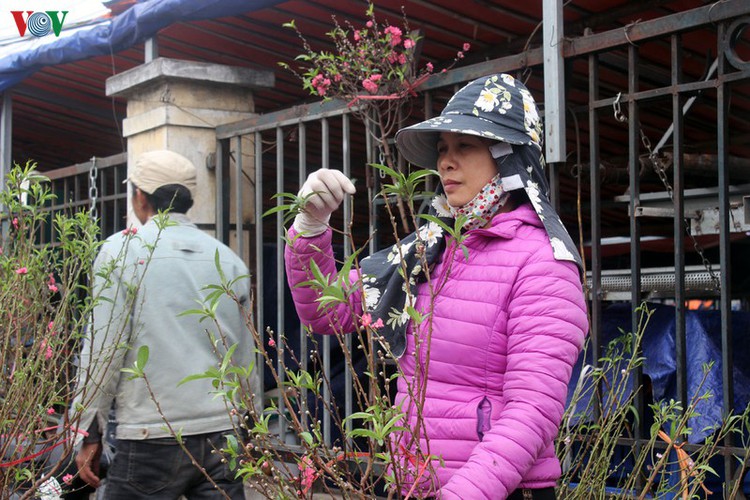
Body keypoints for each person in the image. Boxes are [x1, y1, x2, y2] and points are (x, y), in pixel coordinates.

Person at [284, 74, 588, 499]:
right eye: (443, 149)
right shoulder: (430, 248)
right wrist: (310, 226)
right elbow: (326, 310)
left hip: (497, 490)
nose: (446, 162)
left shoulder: (543, 263)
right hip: (414, 481)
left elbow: (532, 412)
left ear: (508, 158)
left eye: (465, 146)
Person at [71, 150, 260, 499]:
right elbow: (244, 355)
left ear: (139, 198)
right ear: (189, 199)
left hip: (150, 437)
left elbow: (103, 350)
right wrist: (253, 427)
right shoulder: (228, 259)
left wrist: (87, 433)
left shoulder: (121, 253)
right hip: (223, 432)